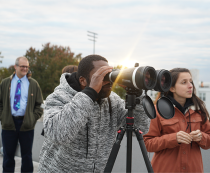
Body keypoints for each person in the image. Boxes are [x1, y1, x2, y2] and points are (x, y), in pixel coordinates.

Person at [38, 54, 149, 172]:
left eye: (108, 75)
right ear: (83, 80)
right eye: (100, 76)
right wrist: (89, 94)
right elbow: (58, 134)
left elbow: (140, 127)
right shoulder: (58, 97)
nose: (108, 81)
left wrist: (138, 95)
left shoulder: (112, 101)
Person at [144, 68, 210, 173]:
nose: (190, 85)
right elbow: (147, 144)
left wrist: (202, 137)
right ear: (172, 88)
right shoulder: (157, 110)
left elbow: (209, 139)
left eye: (191, 81)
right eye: (184, 82)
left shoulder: (199, 110)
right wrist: (173, 138)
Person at [0, 56, 43, 173]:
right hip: (9, 124)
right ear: (15, 67)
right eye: (22, 66)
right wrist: (3, 117)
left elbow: (39, 105)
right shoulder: (5, 83)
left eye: (27, 67)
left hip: (26, 125)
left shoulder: (33, 84)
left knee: (27, 155)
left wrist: (32, 119)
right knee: (8, 155)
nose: (25, 69)